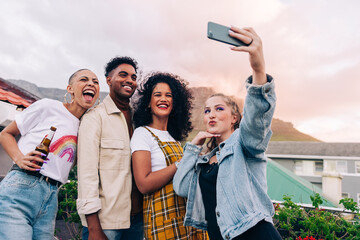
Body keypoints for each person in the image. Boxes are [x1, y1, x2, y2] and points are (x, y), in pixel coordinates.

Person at [173, 26, 282, 240]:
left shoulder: (245, 144)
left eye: (219, 109)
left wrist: (258, 70)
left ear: (234, 118)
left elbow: (257, 119)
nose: (211, 114)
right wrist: (193, 148)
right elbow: (182, 187)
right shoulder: (203, 160)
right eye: (207, 111)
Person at [0, 69, 100, 239]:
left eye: (96, 82)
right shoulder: (48, 106)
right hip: (22, 185)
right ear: (70, 89)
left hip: (52, 197)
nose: (91, 83)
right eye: (84, 79)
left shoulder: (87, 127)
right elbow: (6, 134)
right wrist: (19, 158)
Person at [131, 72, 208, 240]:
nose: (163, 99)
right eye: (157, 95)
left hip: (185, 219)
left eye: (169, 95)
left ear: (175, 103)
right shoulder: (142, 134)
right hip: (162, 218)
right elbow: (143, 184)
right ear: (148, 103)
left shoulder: (173, 138)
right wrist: (181, 163)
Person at [76, 56, 143, 240]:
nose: (130, 80)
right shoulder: (94, 118)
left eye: (134, 77)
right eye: (123, 75)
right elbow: (86, 175)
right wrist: (94, 228)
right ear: (108, 80)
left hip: (138, 221)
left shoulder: (140, 120)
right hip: (105, 223)